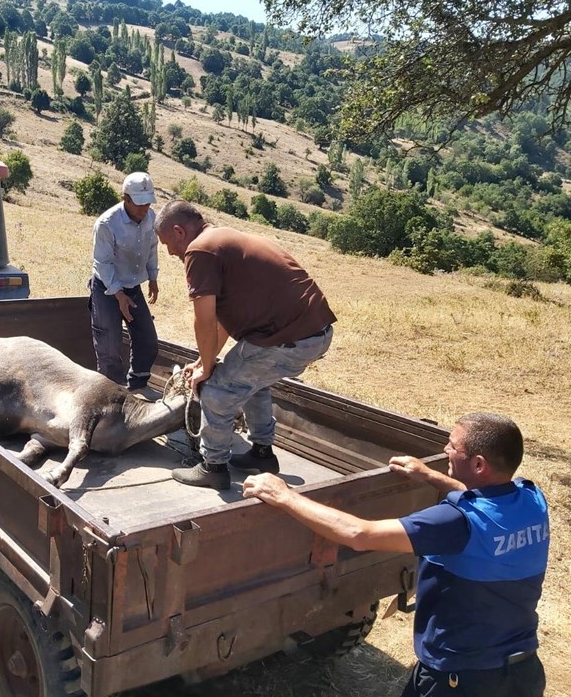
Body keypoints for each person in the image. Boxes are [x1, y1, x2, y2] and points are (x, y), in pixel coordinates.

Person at [243, 412, 549, 697]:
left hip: (462, 679)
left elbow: (359, 535)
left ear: (479, 464)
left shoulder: (455, 522)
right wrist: (431, 476)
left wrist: (284, 496)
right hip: (522, 672)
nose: (445, 451)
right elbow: (485, 503)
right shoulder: (531, 498)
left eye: (453, 447)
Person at [154, 200, 336, 489]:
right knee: (254, 382)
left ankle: (213, 467)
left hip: (288, 336)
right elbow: (224, 321)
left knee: (215, 391)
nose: (170, 251)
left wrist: (207, 371)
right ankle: (262, 454)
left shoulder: (199, 250)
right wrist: (205, 361)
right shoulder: (225, 240)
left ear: (178, 231)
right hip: (310, 332)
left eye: (166, 243)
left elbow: (203, 320)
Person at [89, 172, 160, 391]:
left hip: (133, 287)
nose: (144, 208)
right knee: (109, 347)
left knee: (148, 341)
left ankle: (137, 386)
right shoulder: (107, 224)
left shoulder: (151, 219)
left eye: (147, 203)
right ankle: (110, 394)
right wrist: (119, 296)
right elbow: (103, 263)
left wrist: (153, 278)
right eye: (139, 204)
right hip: (107, 289)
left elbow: (151, 249)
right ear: (125, 198)